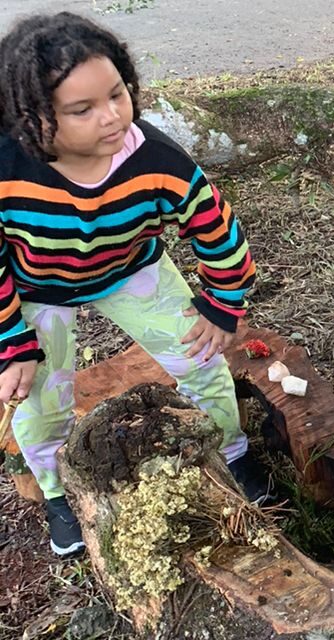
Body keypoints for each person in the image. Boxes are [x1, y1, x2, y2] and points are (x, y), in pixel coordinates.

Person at [0, 12, 268, 557]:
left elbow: (214, 225)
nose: (112, 117)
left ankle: (232, 451)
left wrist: (222, 304)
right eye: (83, 109)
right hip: (36, 288)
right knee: (38, 400)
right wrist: (11, 342)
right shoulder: (6, 167)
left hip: (133, 269)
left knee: (202, 362)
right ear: (30, 117)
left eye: (118, 94)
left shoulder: (155, 158)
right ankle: (58, 492)